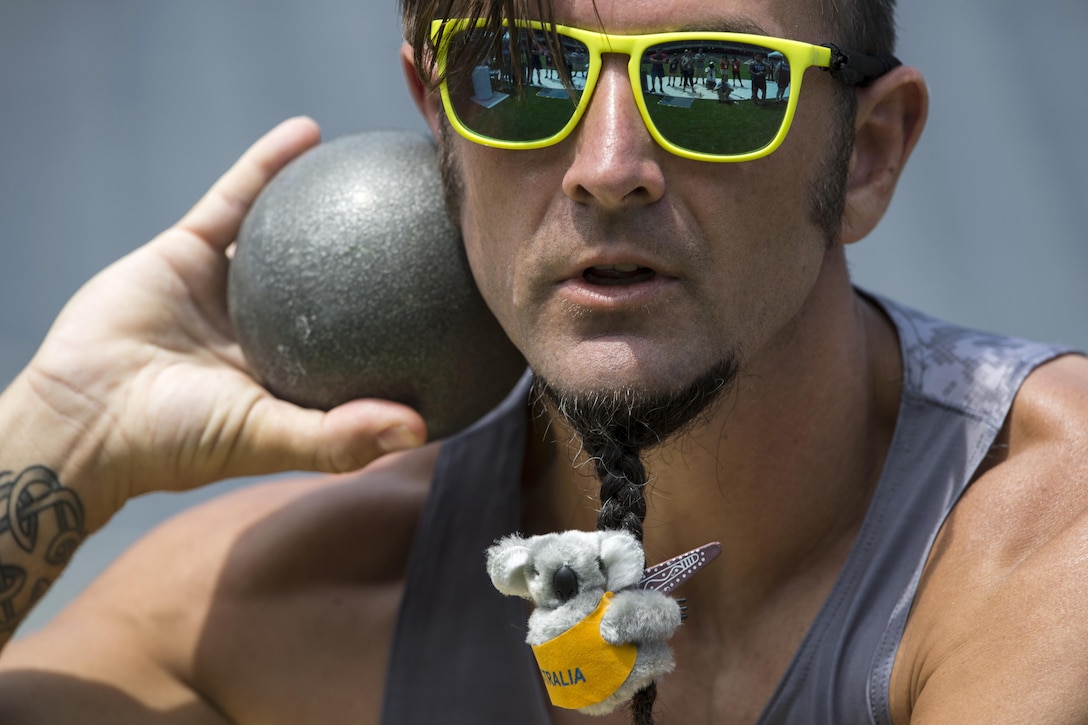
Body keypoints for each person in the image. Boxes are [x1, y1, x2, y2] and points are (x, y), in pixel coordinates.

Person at [1, 2, 1088, 725]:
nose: (606, 168)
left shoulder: (1043, 546)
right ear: (438, 125)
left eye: (713, 84)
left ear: (867, 152)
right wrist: (68, 434)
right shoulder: (319, 591)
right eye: (518, 77)